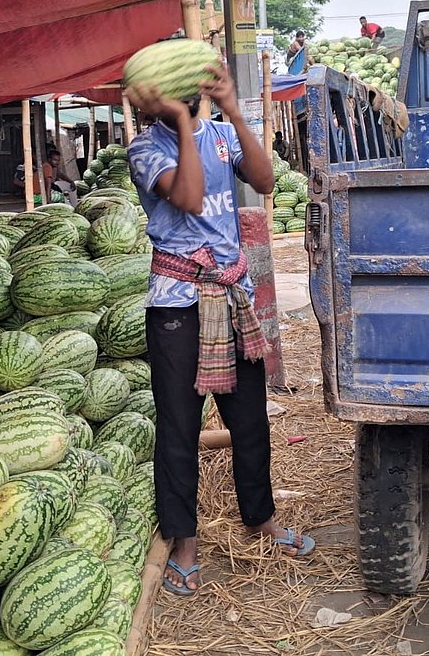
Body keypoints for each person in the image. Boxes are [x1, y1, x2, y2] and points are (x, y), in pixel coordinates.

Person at [125, 60, 315, 597]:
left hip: (233, 296)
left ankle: (260, 518)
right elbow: (185, 196)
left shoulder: (224, 135)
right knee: (180, 427)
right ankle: (183, 541)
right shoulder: (145, 148)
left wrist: (231, 109)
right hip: (177, 304)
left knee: (250, 420)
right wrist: (182, 122)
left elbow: (265, 180)